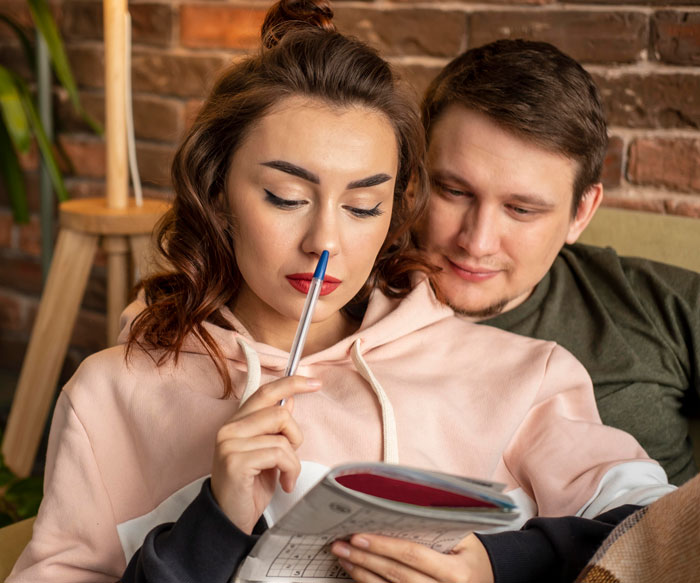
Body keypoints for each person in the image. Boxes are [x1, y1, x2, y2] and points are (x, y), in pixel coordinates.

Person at [8, 4, 673, 583]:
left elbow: (662, 530)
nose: (324, 241)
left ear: (394, 211)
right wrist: (211, 522)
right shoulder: (110, 393)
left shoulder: (527, 375)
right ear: (216, 190)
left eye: (362, 204)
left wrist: (497, 568)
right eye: (286, 196)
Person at [418, 39, 700, 487]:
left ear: (581, 213)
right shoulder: (341, 305)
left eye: (521, 210)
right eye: (454, 191)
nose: (476, 241)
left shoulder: (664, 306)